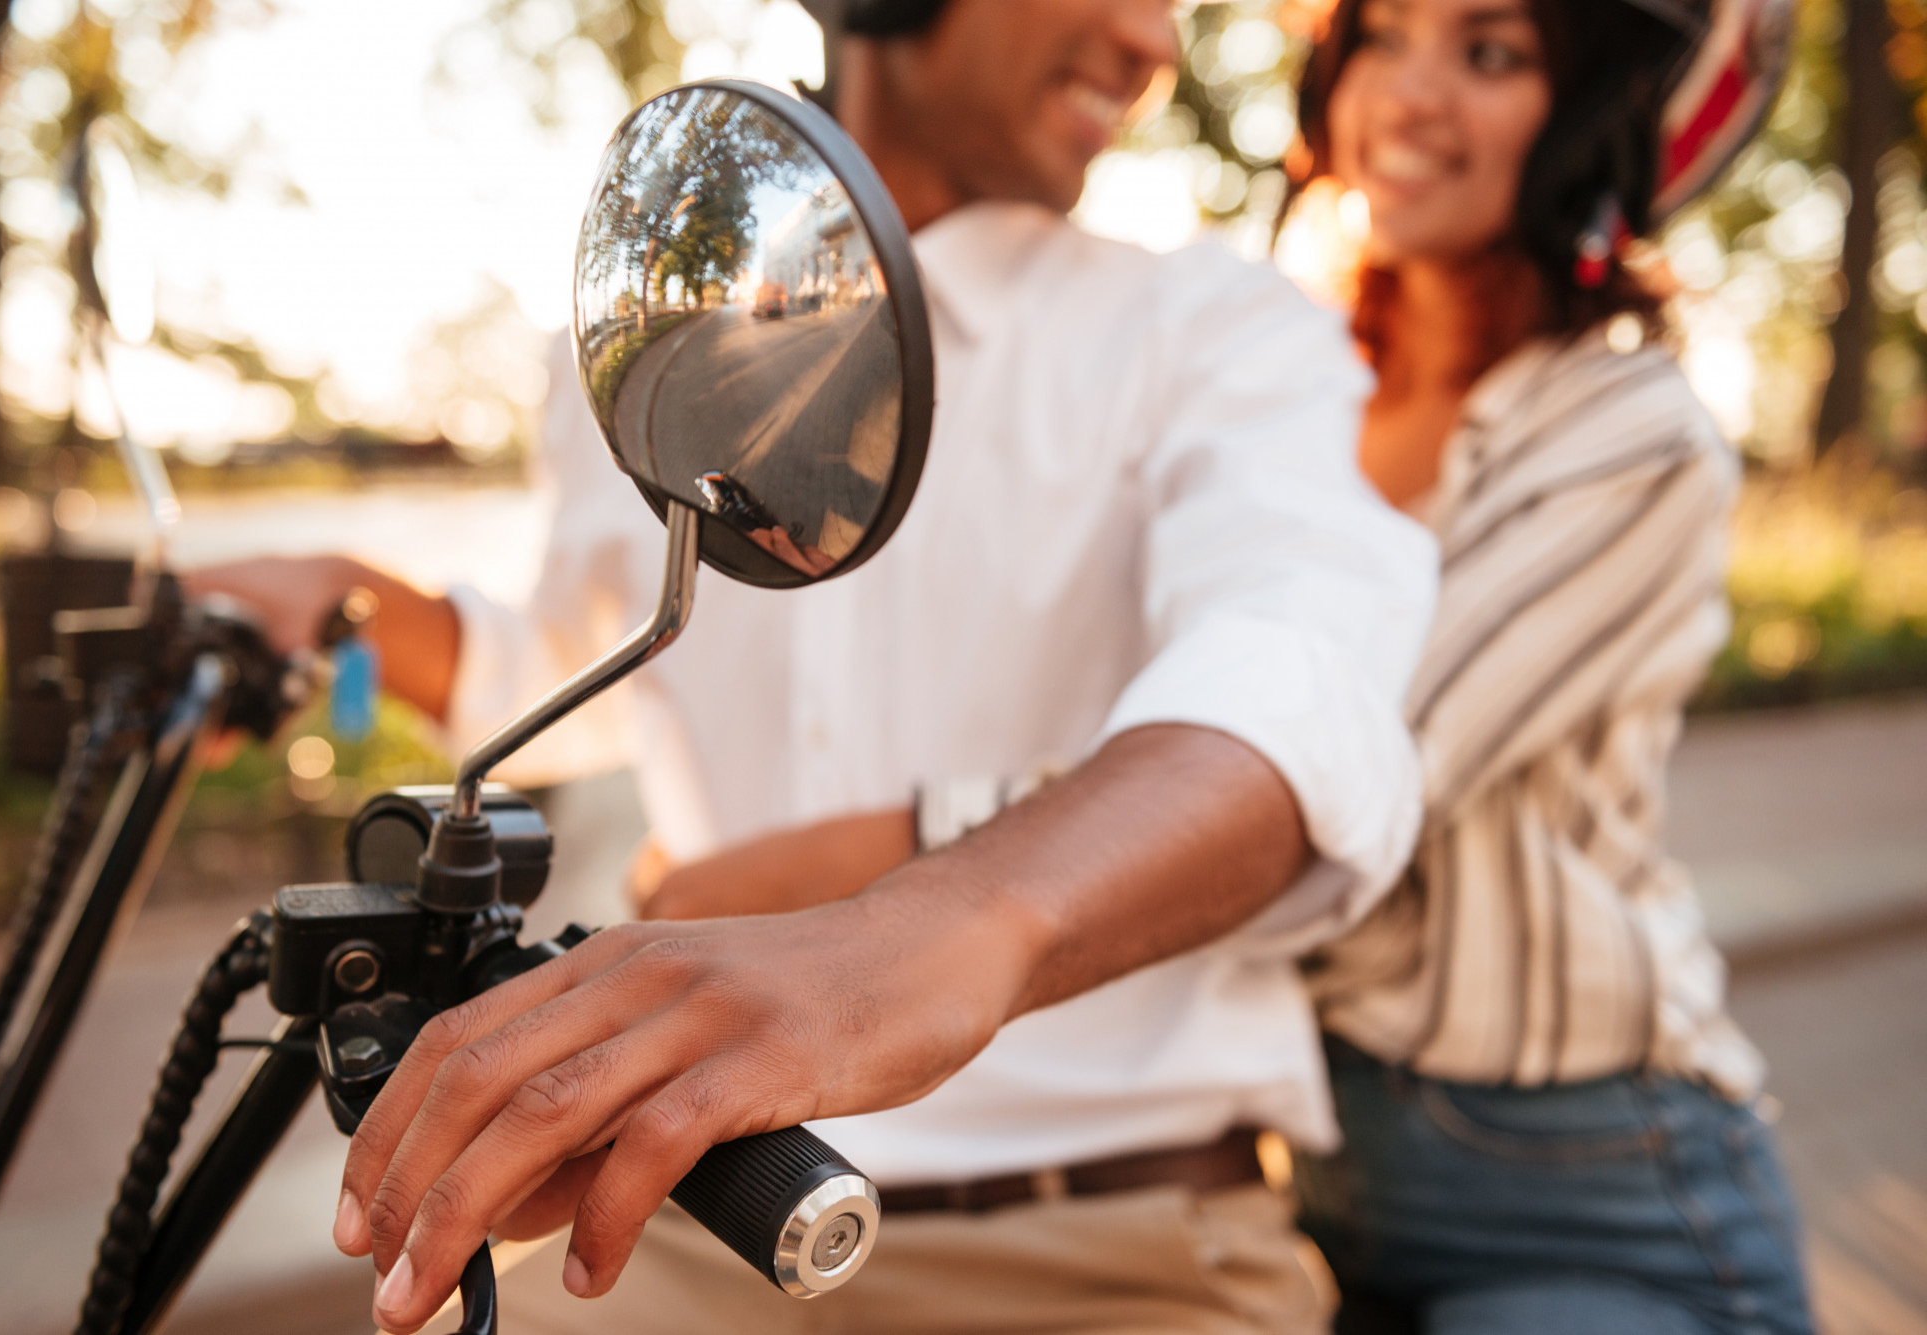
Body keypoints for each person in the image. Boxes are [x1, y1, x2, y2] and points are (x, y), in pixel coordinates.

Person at [189, 0, 1438, 1331]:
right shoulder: (636, 351)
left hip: (1109, 1252)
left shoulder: (1216, 333)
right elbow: (570, 660)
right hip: (671, 1228)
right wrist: (351, 602)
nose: (1150, 42)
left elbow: (1292, 696)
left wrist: (902, 939)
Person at [646, 0, 1820, 1330]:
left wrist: (841, 866)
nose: (1410, 97)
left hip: (1578, 1181)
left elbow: (1346, 745)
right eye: (1383, 37)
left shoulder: (1625, 428)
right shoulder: (1306, 369)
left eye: (1490, 54)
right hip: (1313, 1176)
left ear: (1588, 120)